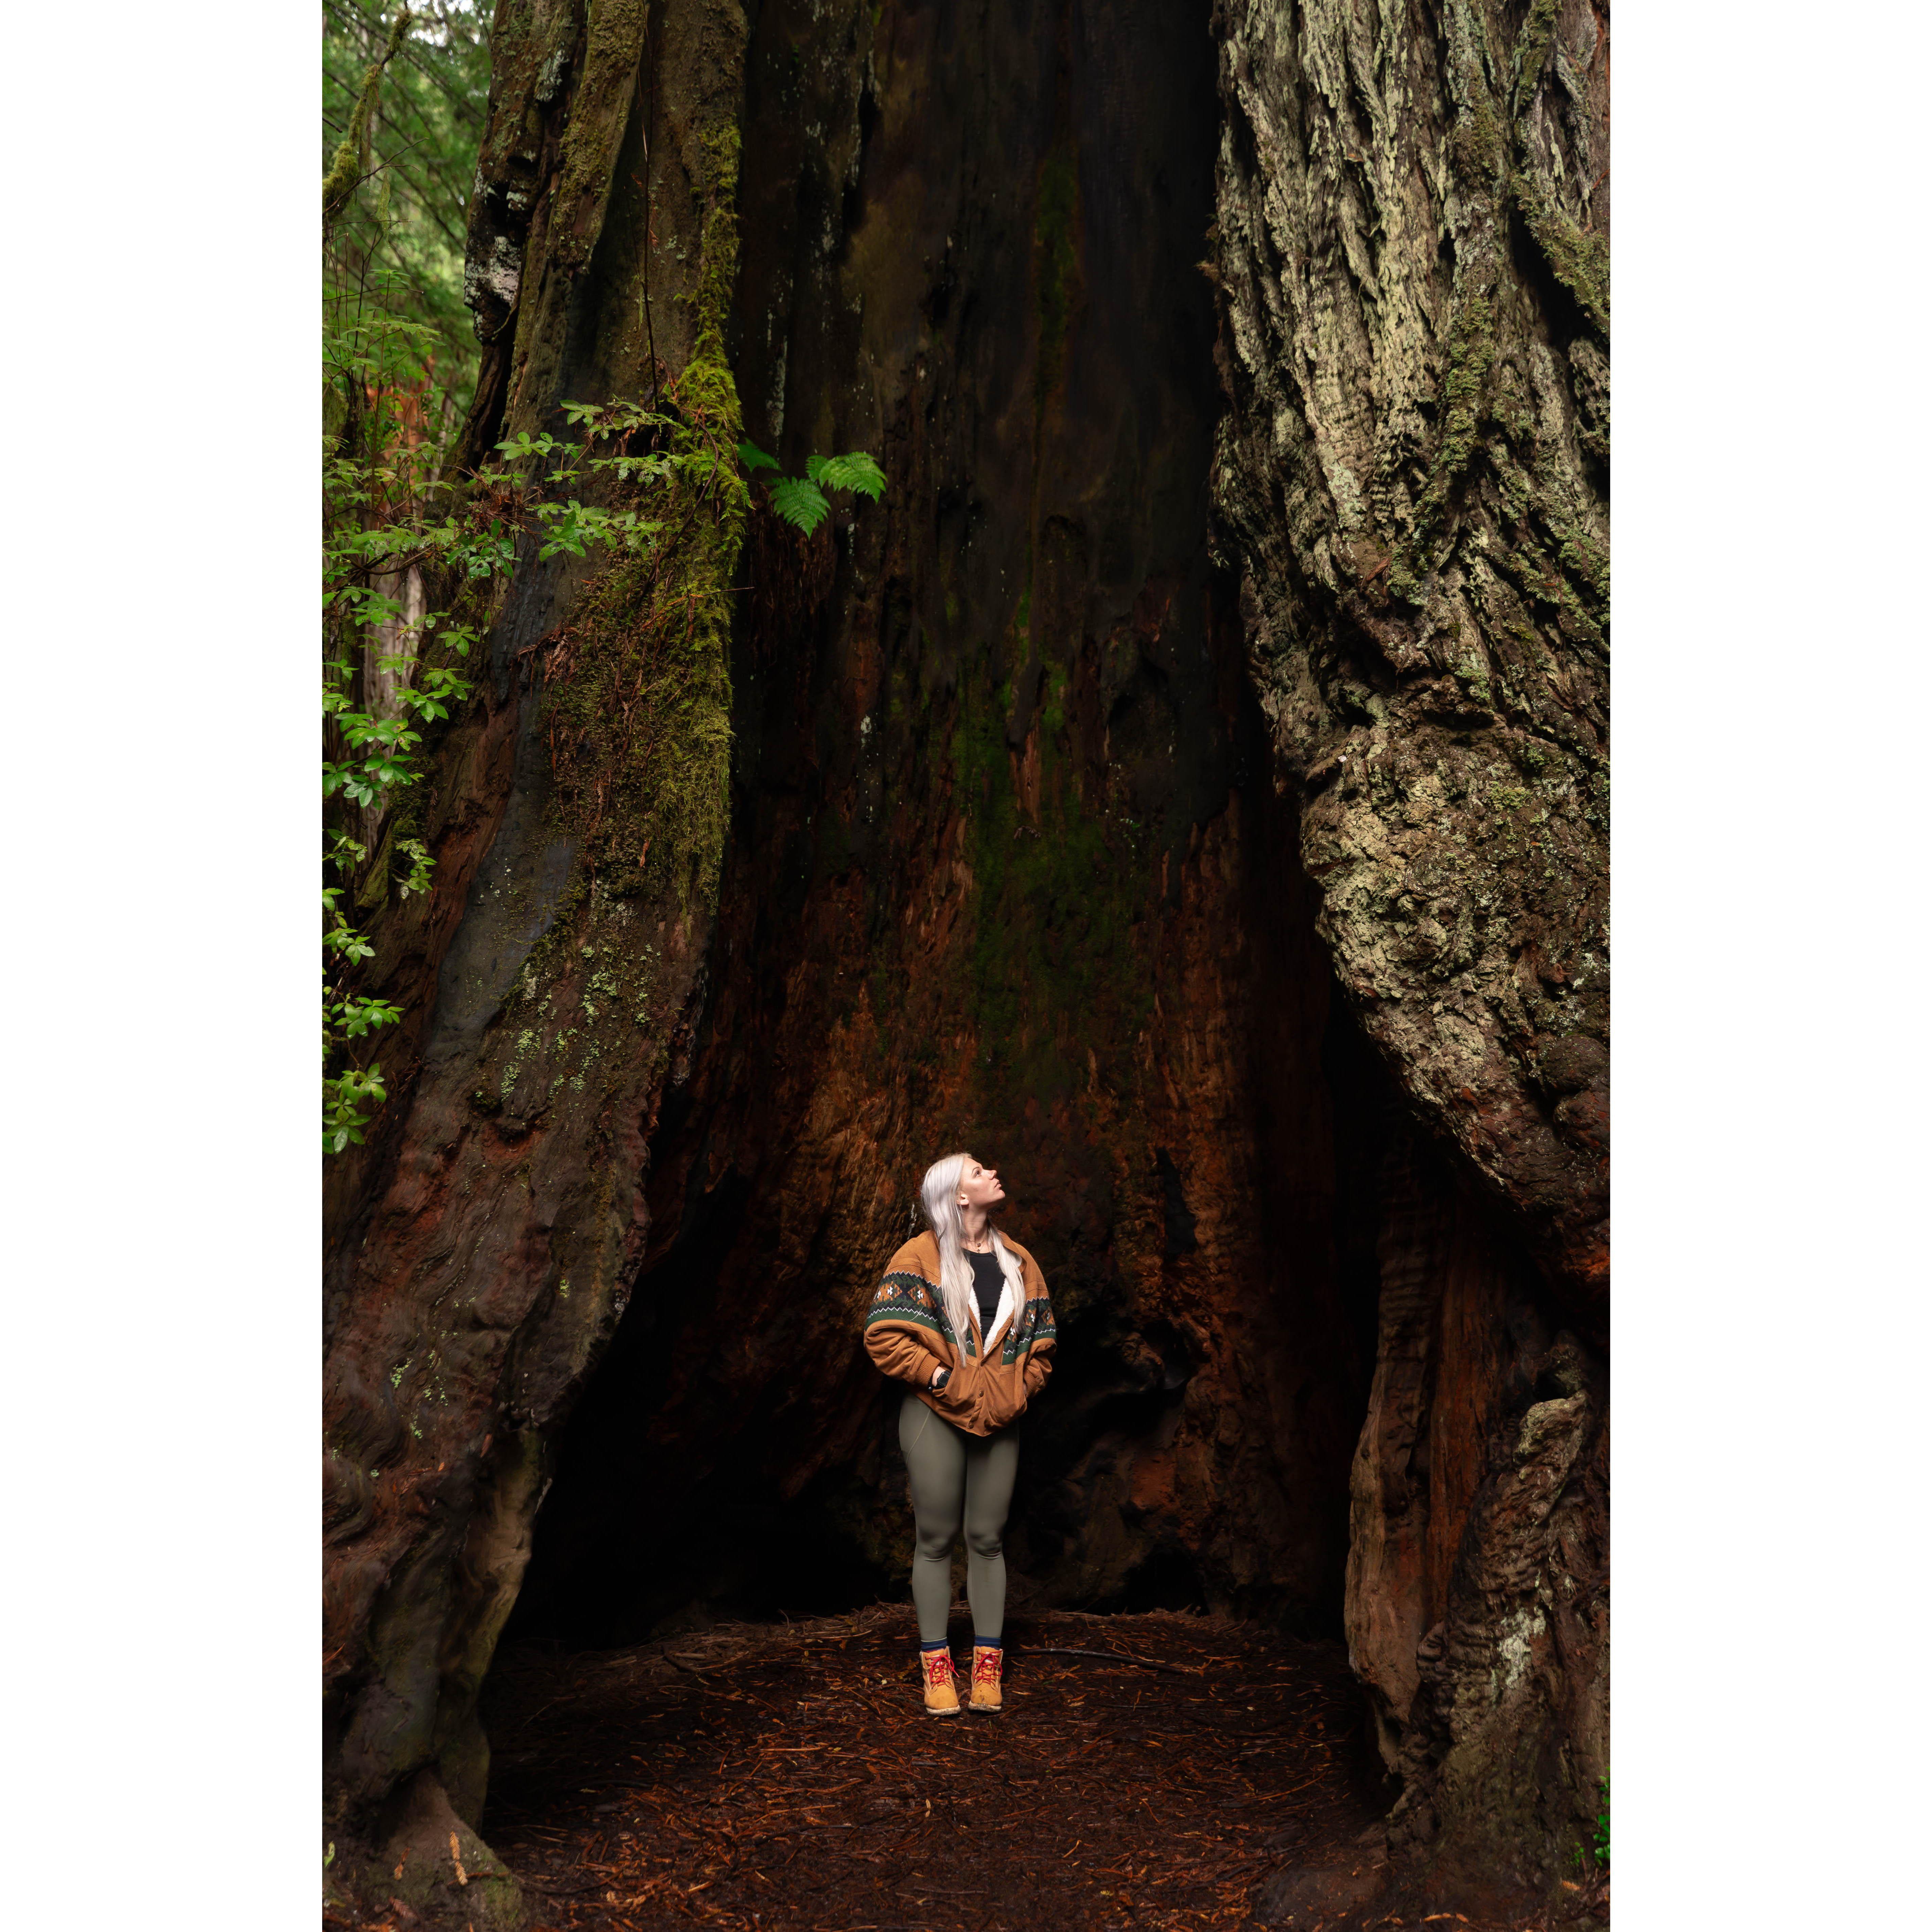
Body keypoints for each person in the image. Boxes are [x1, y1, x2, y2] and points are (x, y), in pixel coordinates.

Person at [861, 1151, 1057, 1715]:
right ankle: (937, 1666)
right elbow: (883, 1334)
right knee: (935, 1538)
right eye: (977, 1171)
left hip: (1001, 1418)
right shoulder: (918, 1256)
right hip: (934, 1412)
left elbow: (1043, 1342)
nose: (993, 1172)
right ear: (958, 1196)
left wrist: (1020, 1389)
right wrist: (941, 1375)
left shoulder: (1020, 1261)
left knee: (988, 1537)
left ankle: (988, 1667)